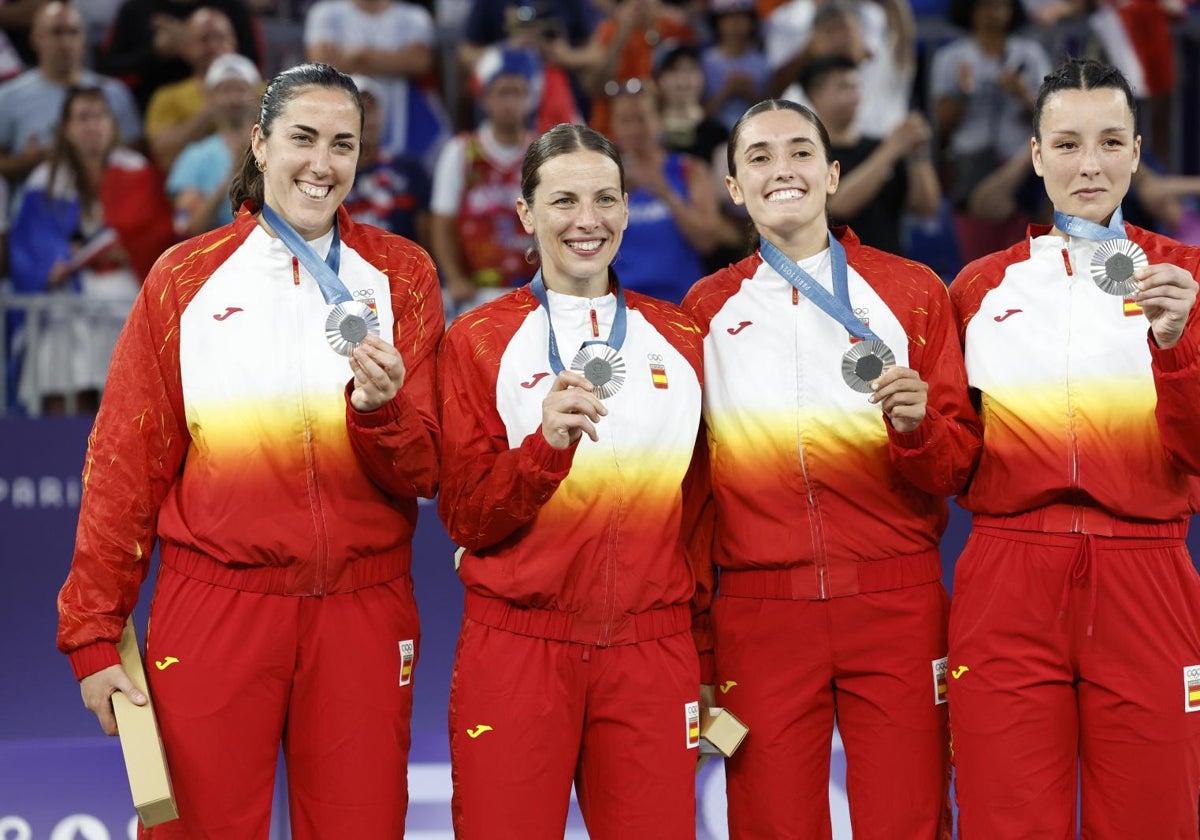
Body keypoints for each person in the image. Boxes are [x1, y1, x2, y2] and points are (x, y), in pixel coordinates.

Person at [55, 62, 443, 837]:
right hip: (218, 604)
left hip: (362, 609)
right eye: (303, 138)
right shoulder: (184, 279)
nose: (322, 164)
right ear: (261, 144)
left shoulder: (402, 276)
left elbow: (429, 469)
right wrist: (94, 633)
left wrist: (380, 412)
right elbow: (124, 465)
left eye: (344, 144)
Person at [681, 99, 980, 838]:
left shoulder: (912, 292)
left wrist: (916, 431)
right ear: (733, 188)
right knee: (770, 824)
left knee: (908, 819)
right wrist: (701, 643)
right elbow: (691, 500)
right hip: (759, 612)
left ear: (833, 172)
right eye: (758, 157)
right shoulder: (703, 312)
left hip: (897, 603)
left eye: (800, 152)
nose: (782, 168)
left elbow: (958, 466)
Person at [945, 57, 1200, 839]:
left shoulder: (1188, 277)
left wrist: (1179, 347)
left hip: (1146, 571)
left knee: (1153, 819)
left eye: (1109, 142)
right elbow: (950, 461)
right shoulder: (978, 289)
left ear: (1136, 150)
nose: (1088, 164)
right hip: (1008, 575)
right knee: (1004, 820)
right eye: (1066, 144)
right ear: (1034, 155)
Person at [436, 122, 707, 839]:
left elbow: (705, 511)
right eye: (563, 201)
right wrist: (544, 449)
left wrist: (704, 649)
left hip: (653, 651)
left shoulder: (681, 339)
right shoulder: (478, 340)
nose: (587, 221)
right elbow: (465, 516)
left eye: (605, 199)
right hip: (520, 645)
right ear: (525, 213)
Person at [9, 85, 174, 416]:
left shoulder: (137, 171)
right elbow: (28, 241)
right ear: (66, 129)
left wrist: (130, 250)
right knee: (61, 397)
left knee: (125, 406)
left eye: (99, 116)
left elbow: (159, 232)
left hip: (122, 297)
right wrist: (50, 266)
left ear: (112, 125)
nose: (92, 125)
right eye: (82, 118)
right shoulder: (46, 180)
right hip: (65, 303)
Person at [930, 0, 1051, 263]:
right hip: (971, 160)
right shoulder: (951, 57)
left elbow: (1050, 116)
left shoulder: (1029, 53)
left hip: (1022, 162)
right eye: (986, 6)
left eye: (1001, 6)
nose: (994, 13)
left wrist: (1021, 93)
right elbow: (943, 124)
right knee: (980, 258)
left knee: (1028, 252)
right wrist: (962, 94)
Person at [430, 47, 536, 316]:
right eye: (503, 93)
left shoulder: (543, 151)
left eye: (518, 93)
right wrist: (454, 277)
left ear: (529, 100)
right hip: (476, 292)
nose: (510, 103)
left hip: (534, 292)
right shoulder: (461, 151)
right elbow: (442, 222)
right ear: (486, 99)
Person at [801, 53, 940, 256]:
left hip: (890, 266)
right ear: (815, 95)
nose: (853, 95)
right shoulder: (807, 154)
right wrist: (892, 149)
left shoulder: (880, 147)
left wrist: (917, 153)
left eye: (855, 87)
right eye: (843, 87)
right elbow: (837, 207)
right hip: (837, 269)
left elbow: (926, 205)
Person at [0, 2, 141, 185]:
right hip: (36, 203)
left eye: (73, 32)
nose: (65, 42)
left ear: (84, 38)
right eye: (56, 32)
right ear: (35, 39)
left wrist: (98, 149)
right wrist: (24, 162)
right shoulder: (9, 97)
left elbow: (136, 153)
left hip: (108, 200)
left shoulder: (114, 93)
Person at [609, 81, 720, 303]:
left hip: (680, 304)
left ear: (658, 121)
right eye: (625, 121)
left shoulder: (689, 169)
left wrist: (665, 192)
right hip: (621, 308)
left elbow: (708, 241)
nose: (634, 129)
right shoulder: (602, 178)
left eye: (641, 118)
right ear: (614, 127)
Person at [165, 52, 261, 237]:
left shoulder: (278, 149)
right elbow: (187, 227)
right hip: (218, 260)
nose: (234, 99)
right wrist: (233, 176)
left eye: (241, 89)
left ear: (255, 95)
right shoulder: (194, 156)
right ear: (210, 98)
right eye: (225, 90)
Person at [143, 7, 240, 172]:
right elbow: (163, 157)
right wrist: (211, 110)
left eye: (221, 37)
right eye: (204, 39)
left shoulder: (263, 90)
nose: (215, 46)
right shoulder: (167, 97)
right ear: (186, 48)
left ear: (234, 41)